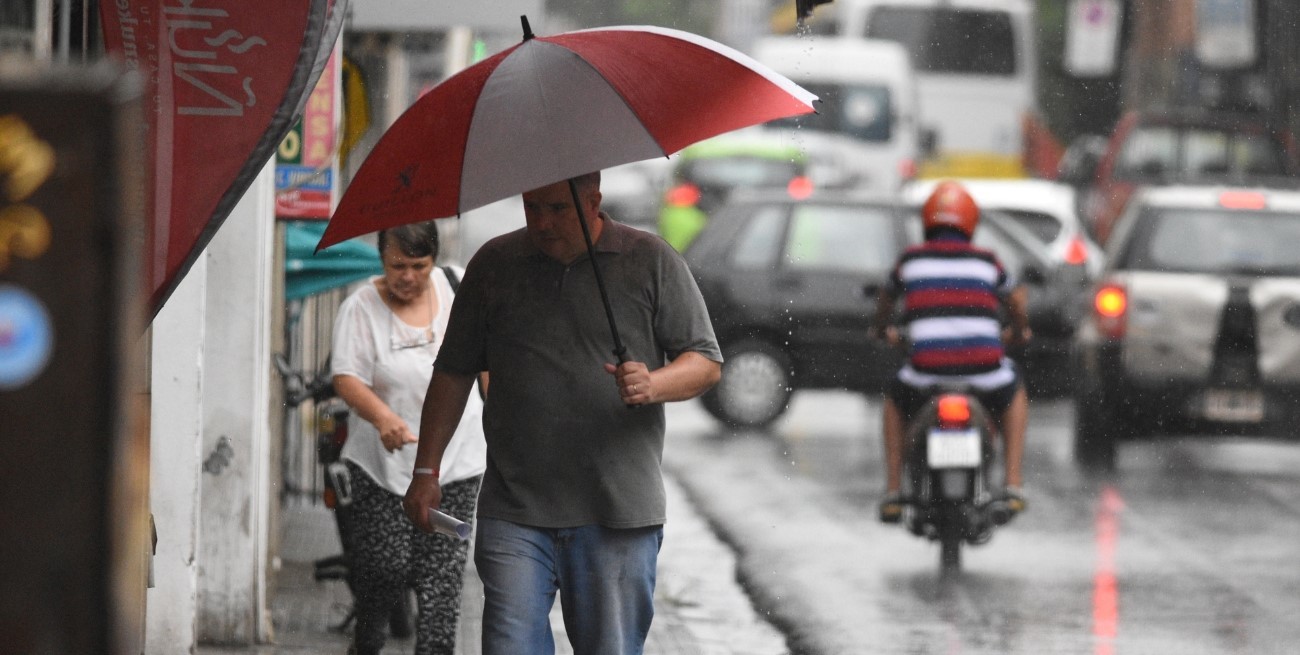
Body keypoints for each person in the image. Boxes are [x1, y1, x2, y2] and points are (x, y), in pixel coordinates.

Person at [403, 172, 722, 655]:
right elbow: (453, 372)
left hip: (616, 513)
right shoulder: (495, 264)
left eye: (558, 209)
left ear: (594, 200)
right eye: (533, 208)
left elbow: (705, 362)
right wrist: (427, 469)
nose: (543, 222)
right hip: (515, 507)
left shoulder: (649, 260)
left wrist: (653, 384)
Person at [330, 221, 487, 655]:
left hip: (457, 466)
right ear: (382, 260)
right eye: (398, 266)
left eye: (418, 265)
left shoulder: (457, 290)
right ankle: (368, 642)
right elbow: (346, 376)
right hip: (383, 468)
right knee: (386, 569)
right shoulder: (361, 306)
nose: (408, 276)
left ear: (433, 260)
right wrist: (382, 418)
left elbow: (484, 360)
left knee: (442, 583)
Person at [868, 180, 1030, 524]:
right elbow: (1015, 298)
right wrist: (1019, 330)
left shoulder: (910, 260)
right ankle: (1013, 483)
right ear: (971, 222)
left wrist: (882, 329)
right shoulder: (988, 261)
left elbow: (886, 299)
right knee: (1015, 392)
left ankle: (894, 490)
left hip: (926, 373)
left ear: (928, 221)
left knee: (895, 402)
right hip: (985, 371)